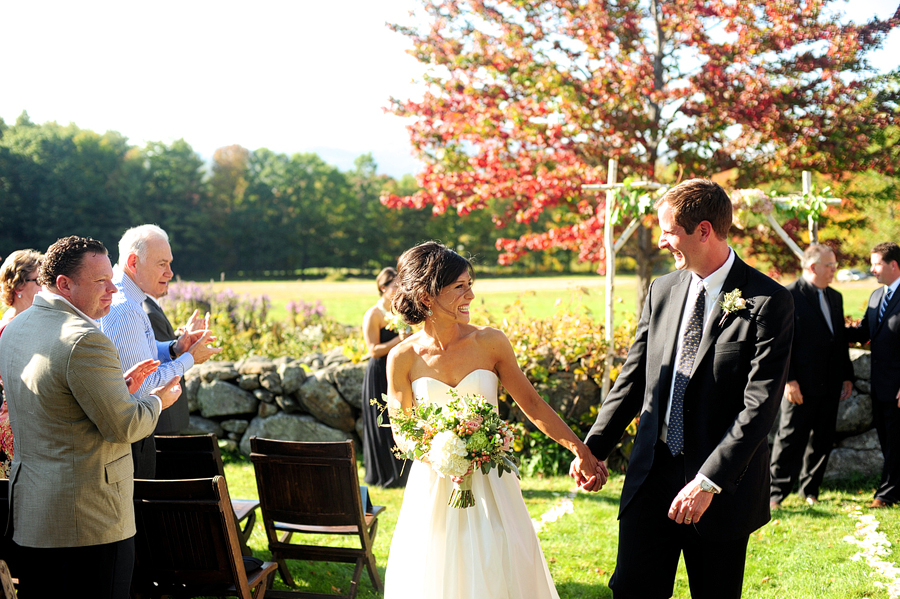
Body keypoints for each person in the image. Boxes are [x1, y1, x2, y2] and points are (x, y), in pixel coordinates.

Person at [575, 179, 794, 599]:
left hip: (719, 487)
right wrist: (594, 448)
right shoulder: (663, 289)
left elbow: (760, 406)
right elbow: (635, 375)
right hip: (650, 475)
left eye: (669, 231)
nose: (661, 241)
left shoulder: (768, 301)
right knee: (632, 591)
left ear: (704, 230)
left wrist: (708, 481)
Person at [383, 241, 605, 599]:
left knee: (502, 567)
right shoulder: (402, 357)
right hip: (434, 488)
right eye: (460, 287)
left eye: (470, 283)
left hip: (493, 483)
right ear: (426, 297)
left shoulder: (491, 342)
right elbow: (402, 429)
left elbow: (532, 402)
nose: (471, 294)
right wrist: (443, 454)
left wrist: (579, 449)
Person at [0, 235, 181, 599]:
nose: (113, 288)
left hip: (34, 514)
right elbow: (124, 426)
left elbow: (55, 403)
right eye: (101, 281)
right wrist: (159, 401)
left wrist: (117, 388)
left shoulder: (16, 328)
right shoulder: (85, 339)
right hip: (90, 520)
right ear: (64, 284)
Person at [100, 225, 220, 478]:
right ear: (133, 262)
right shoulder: (127, 310)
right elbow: (144, 386)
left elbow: (141, 353)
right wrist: (190, 358)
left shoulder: (129, 302)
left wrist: (175, 349)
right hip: (132, 439)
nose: (170, 272)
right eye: (162, 264)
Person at [769, 244, 854, 508]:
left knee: (823, 439)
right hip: (800, 386)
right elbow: (780, 344)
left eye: (834, 266)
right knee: (789, 439)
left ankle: (810, 490)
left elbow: (838, 339)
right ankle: (775, 495)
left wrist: (847, 376)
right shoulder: (788, 296)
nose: (834, 271)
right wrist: (789, 380)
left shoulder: (835, 297)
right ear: (812, 267)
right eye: (830, 266)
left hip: (830, 384)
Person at [846, 241, 900, 508]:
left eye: (876, 263)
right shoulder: (877, 296)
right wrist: (830, 328)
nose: (872, 269)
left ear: (893, 265)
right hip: (880, 384)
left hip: (898, 387)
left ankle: (886, 495)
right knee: (887, 439)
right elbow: (864, 333)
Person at [360, 266, 410, 488]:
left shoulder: (401, 311)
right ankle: (383, 474)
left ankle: (403, 471)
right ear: (383, 288)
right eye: (396, 286)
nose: (400, 289)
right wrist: (398, 340)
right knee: (382, 421)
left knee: (401, 416)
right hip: (379, 370)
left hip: (399, 369)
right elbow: (373, 350)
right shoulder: (374, 314)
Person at [0, 249, 43, 478]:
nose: (45, 287)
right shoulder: (13, 327)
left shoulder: (22, 322)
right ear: (17, 286)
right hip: (18, 430)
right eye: (39, 281)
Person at [142, 289, 190, 435]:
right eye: (162, 265)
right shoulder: (149, 313)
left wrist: (182, 338)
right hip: (165, 417)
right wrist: (191, 355)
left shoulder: (151, 307)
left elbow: (160, 346)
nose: (169, 274)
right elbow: (158, 360)